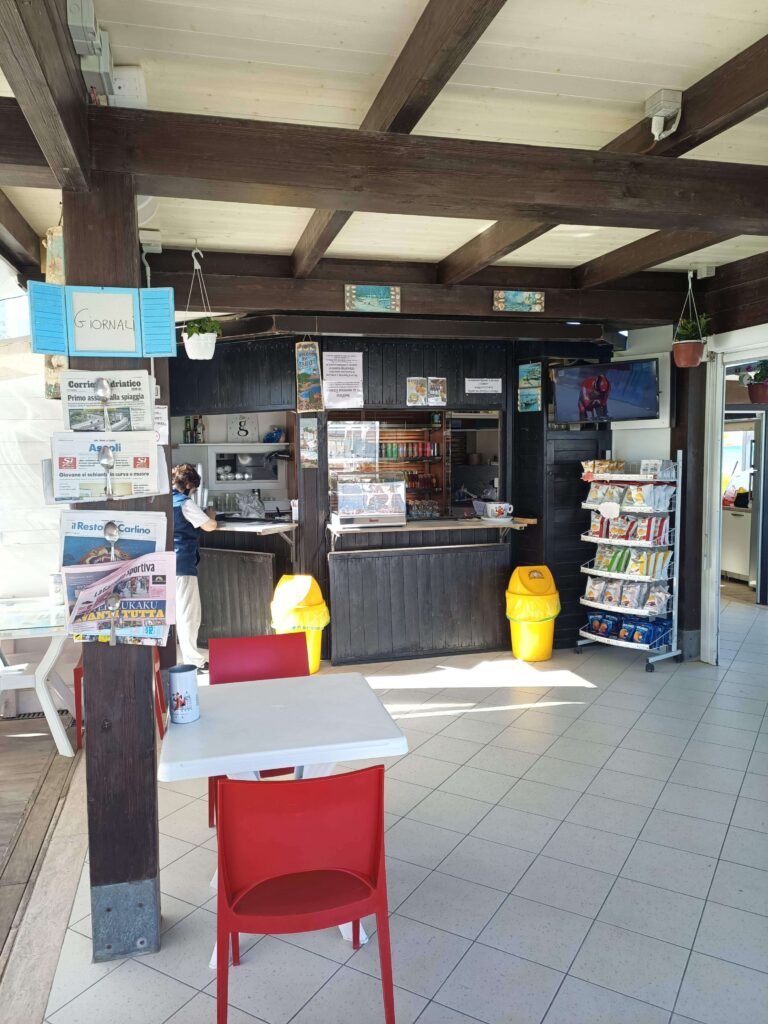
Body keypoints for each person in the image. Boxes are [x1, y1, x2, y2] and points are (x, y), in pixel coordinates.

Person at [172, 463, 217, 669]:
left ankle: (178, 658)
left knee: (172, 614)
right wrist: (211, 516)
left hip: (164, 562)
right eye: (194, 489)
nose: (193, 493)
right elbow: (210, 526)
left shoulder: (164, 500)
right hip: (182, 563)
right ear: (189, 485)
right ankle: (193, 661)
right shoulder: (184, 503)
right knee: (188, 614)